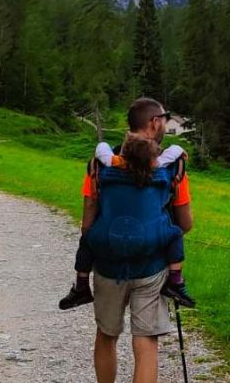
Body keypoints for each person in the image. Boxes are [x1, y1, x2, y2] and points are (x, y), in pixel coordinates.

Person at [59, 99, 194, 310]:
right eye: (165, 122)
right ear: (155, 122)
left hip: (107, 256)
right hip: (153, 261)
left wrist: (93, 236)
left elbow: (88, 216)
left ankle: (81, 286)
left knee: (106, 333)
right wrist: (178, 150)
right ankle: (176, 282)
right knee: (147, 336)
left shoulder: (104, 163)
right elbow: (185, 224)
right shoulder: (164, 167)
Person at [87, 130, 182, 383]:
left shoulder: (105, 170)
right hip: (150, 266)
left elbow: (101, 149)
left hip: (109, 264)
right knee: (146, 342)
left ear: (122, 155)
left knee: (107, 335)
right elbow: (175, 152)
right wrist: (179, 153)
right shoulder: (162, 172)